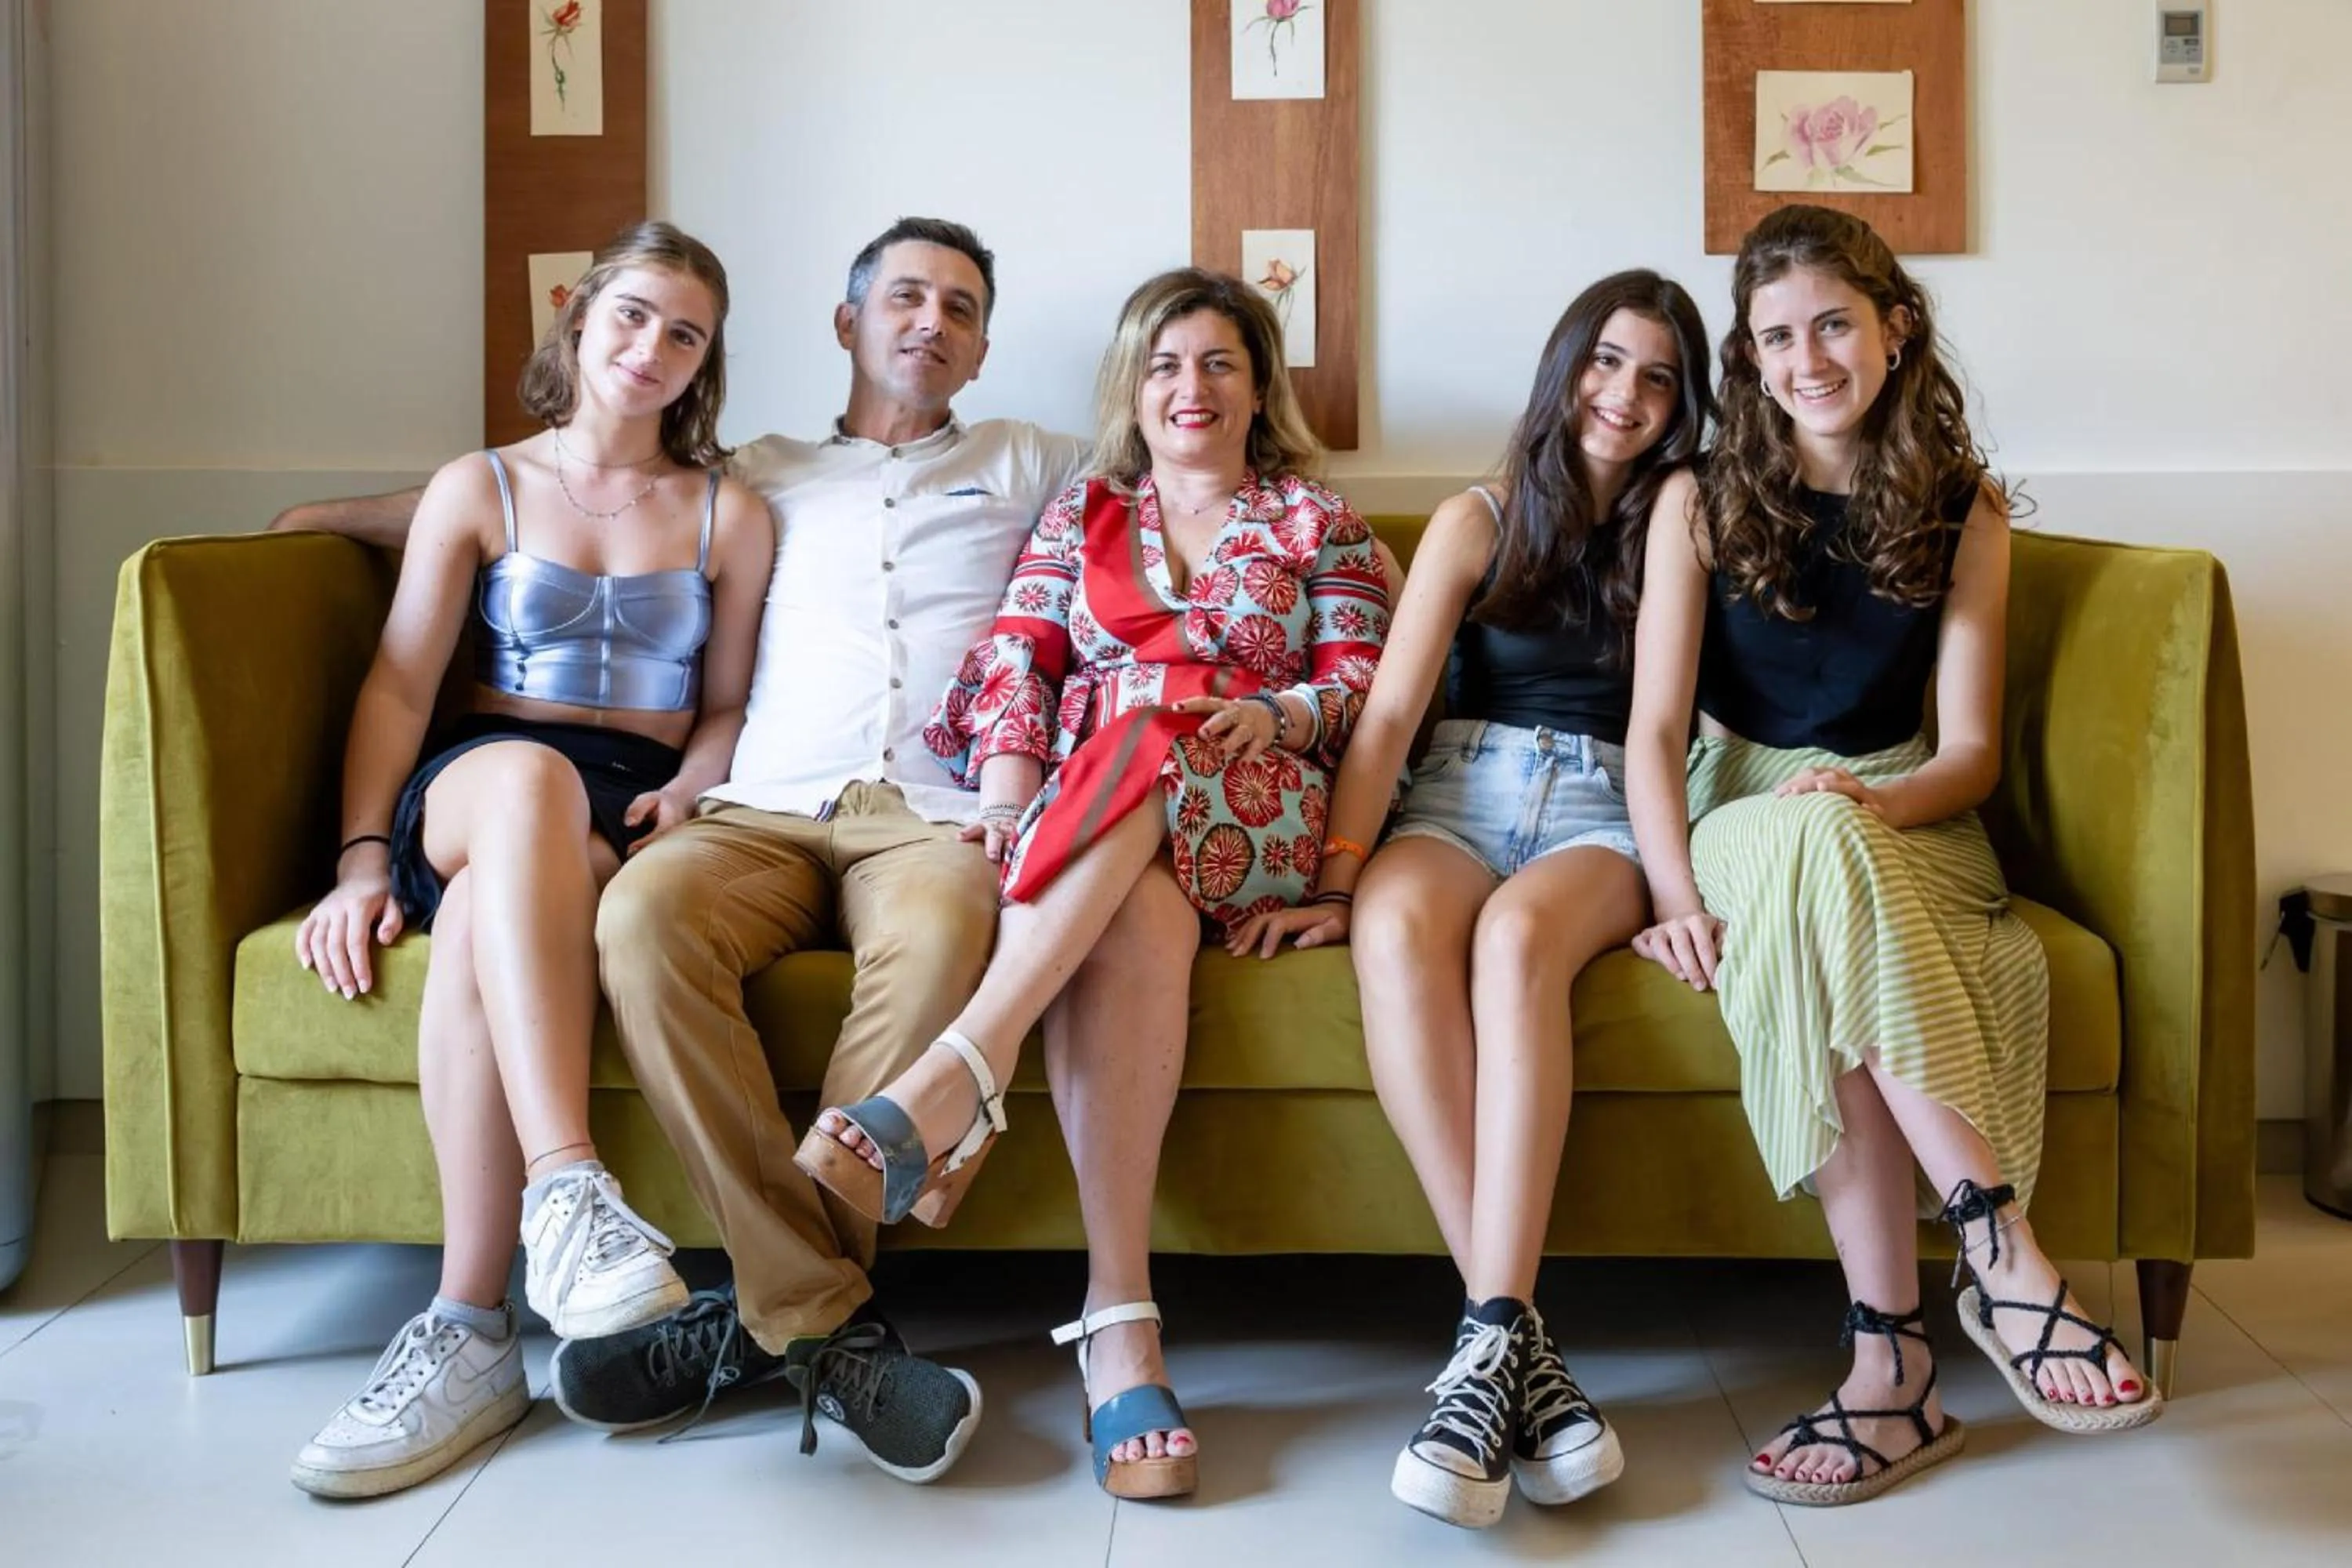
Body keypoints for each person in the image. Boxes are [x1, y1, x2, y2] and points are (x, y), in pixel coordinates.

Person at [274, 217, 1088, 1487]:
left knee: (940, 942)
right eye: (907, 297)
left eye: (964, 309)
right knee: (640, 928)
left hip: (916, 810)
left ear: (983, 352)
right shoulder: (759, 479)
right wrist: (325, 523)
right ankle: (658, 1249)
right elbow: (506, 507)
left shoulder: (1019, 463)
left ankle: (763, 1317)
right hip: (746, 807)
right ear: (847, 325)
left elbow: (1170, 497)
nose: (933, 321)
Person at [796, 267, 1391, 1501]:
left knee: (1155, 717)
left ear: (1259, 385)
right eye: (1167, 364)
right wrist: (1007, 806)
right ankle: (1121, 1322)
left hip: (1256, 803)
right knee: (1129, 902)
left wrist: (1273, 710)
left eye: (1220, 362)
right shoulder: (1082, 516)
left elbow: (1363, 688)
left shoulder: (1313, 522)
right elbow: (1020, 653)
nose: (1193, 386)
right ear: (1134, 385)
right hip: (1109, 837)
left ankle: (961, 1066)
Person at [1624, 204, 2159, 1510]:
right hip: (1743, 808)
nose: (1807, 358)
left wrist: (1883, 805)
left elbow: (1966, 753)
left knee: (1831, 866)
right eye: (1774, 338)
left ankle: (1893, 1369)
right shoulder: (1696, 497)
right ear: (1746, 360)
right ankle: (1999, 1242)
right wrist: (1676, 896)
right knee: (1806, 841)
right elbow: (1650, 733)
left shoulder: (1963, 506)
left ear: (1894, 329)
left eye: (1833, 325)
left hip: (1908, 814)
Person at [285, 221, 774, 1498]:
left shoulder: (730, 512)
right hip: (481, 775)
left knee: (482, 960)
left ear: (705, 364)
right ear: (579, 317)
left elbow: (723, 706)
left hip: (623, 812)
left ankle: (469, 1330)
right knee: (525, 785)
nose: (651, 347)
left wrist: (698, 780)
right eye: (632, 315)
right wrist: (354, 863)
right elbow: (398, 689)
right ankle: (569, 1190)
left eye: (685, 334)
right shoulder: (481, 486)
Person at [1232, 270, 1712, 1528]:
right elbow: (1390, 716)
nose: (1627, 396)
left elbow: (1660, 726)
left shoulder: (1679, 511)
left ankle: (1486, 1349)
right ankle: (1516, 1348)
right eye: (1608, 363)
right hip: (1454, 791)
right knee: (1394, 929)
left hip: (1602, 809)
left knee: (1513, 946)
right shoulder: (1476, 515)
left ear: (1683, 403)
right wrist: (1338, 879)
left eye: (1659, 377)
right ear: (1566, 367)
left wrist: (1676, 893)